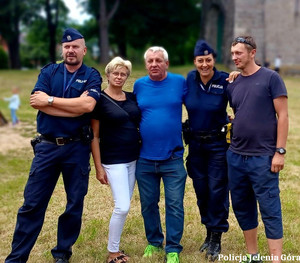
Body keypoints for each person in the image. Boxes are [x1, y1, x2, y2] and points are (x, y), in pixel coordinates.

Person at [5, 28, 102, 263]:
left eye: (75, 46)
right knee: (32, 204)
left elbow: (88, 106)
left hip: (77, 148)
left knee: (74, 204)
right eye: (67, 46)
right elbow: (35, 103)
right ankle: (17, 258)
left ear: (84, 50)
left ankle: (62, 254)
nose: (70, 50)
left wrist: (50, 101)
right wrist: (73, 106)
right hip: (47, 148)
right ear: (62, 48)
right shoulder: (49, 72)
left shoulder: (92, 75)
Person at [227, 36, 288, 263]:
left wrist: (279, 151)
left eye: (239, 53)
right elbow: (239, 112)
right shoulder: (233, 82)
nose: (234, 58)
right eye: (233, 53)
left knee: (270, 207)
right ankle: (252, 256)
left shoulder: (271, 78)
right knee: (242, 207)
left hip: (263, 157)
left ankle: (276, 259)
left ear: (252, 53)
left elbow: (283, 115)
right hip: (235, 156)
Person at [133, 46, 187, 263]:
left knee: (174, 204)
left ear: (166, 63)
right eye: (150, 61)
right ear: (146, 64)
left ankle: (173, 248)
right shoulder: (139, 85)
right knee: (148, 204)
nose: (154, 64)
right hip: (144, 158)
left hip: (172, 157)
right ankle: (154, 242)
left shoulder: (179, 82)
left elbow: (201, 96)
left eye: (158, 60)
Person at [90, 57, 140, 263]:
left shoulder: (131, 97)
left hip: (134, 158)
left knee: (125, 203)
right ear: (107, 75)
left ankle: (116, 246)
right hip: (113, 160)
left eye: (123, 74)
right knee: (122, 206)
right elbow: (94, 136)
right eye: (115, 73)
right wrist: (98, 167)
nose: (119, 77)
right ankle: (112, 253)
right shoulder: (99, 100)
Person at [184, 40, 230, 262]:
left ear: (214, 61)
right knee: (201, 190)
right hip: (195, 145)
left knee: (217, 190)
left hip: (218, 145)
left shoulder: (225, 80)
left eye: (208, 60)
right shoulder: (189, 81)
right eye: (200, 61)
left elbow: (242, 101)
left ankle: (217, 236)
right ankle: (208, 231)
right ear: (195, 62)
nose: (204, 65)